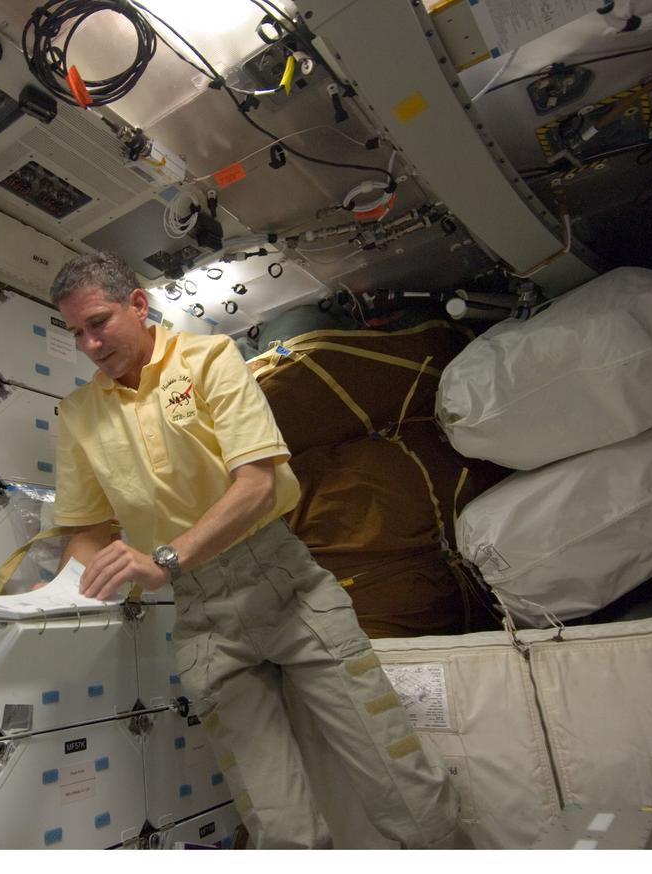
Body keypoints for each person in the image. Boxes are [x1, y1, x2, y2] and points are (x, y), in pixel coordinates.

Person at [49, 251, 462, 849]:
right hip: (202, 617)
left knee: (400, 782)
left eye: (98, 323)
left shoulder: (208, 358)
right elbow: (87, 531)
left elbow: (257, 485)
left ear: (138, 305)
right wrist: (54, 598)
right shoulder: (78, 413)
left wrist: (165, 560)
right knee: (277, 823)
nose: (89, 344)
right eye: (75, 333)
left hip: (281, 583)